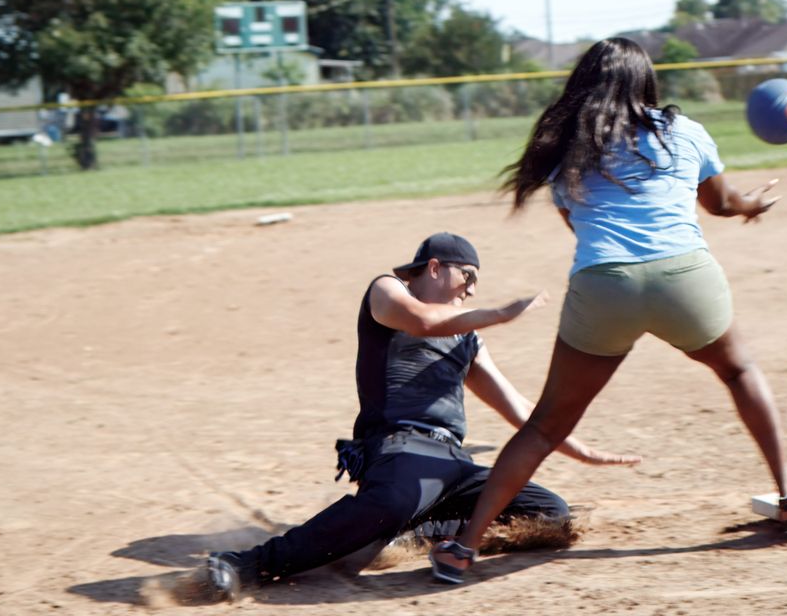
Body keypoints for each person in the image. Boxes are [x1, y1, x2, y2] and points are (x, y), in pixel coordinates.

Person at [429, 37, 787, 585]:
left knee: (547, 424)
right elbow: (721, 203)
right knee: (738, 370)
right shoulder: (684, 131)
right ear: (646, 82)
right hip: (685, 277)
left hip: (604, 284)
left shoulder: (569, 150)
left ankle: (462, 549)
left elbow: (584, 229)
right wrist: (751, 205)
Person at [201, 232, 639, 602]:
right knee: (389, 502)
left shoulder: (466, 336)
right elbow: (423, 321)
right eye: (468, 277)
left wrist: (582, 451)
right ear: (435, 268)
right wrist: (503, 314)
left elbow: (521, 409)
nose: (471, 290)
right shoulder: (388, 292)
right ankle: (249, 563)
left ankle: (411, 532)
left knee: (547, 511)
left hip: (450, 465)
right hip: (398, 448)